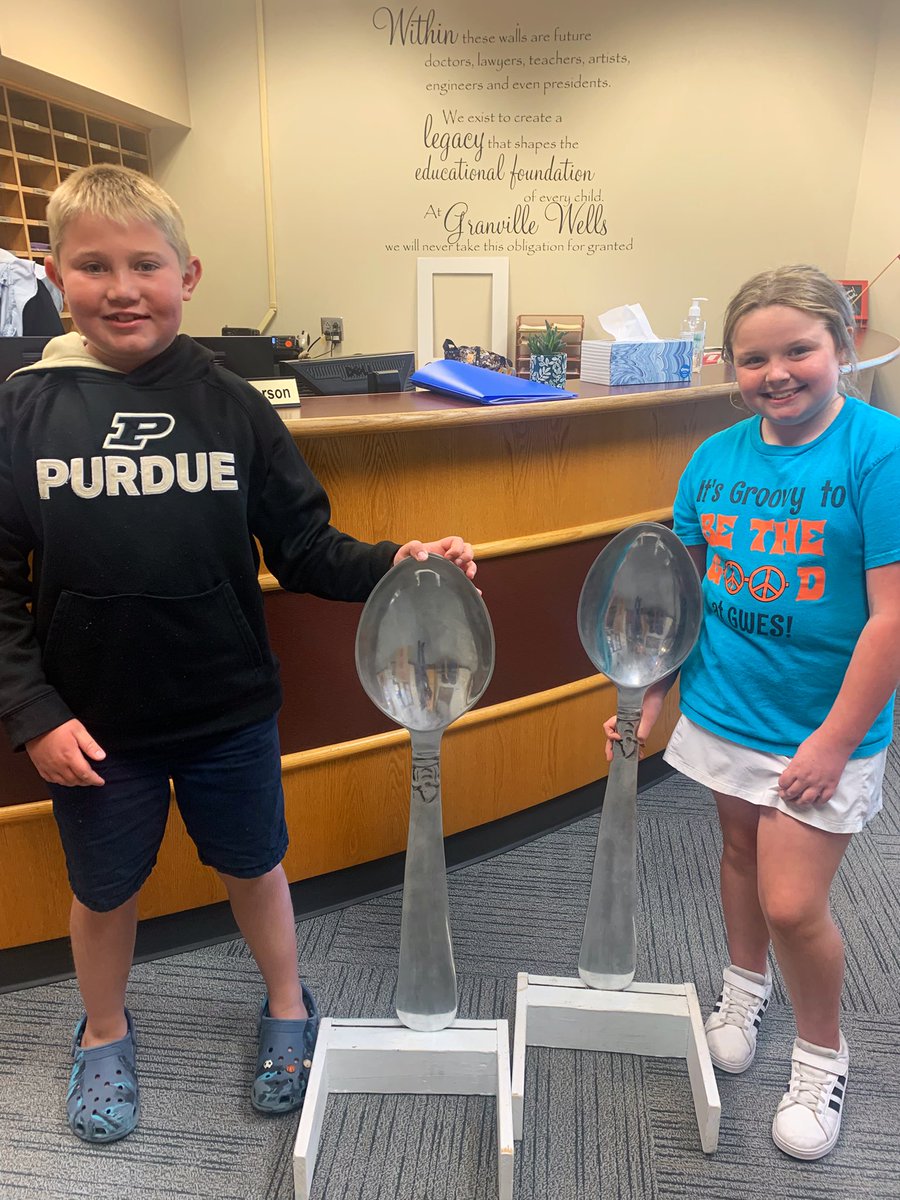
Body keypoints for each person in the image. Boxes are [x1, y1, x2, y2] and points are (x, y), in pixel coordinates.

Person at [0, 163, 478, 1145]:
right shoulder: (21, 411)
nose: (122, 287)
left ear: (189, 274)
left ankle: (289, 1005)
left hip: (226, 707)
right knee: (104, 891)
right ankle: (102, 1032)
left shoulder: (234, 407)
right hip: (94, 727)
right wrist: (34, 714)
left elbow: (304, 547)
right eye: (93, 265)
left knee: (258, 865)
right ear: (53, 275)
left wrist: (401, 562)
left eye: (146, 264)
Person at [605, 264, 900, 1160]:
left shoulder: (877, 451)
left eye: (800, 350)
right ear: (729, 365)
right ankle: (743, 988)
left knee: (793, 902)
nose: (777, 372)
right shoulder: (714, 458)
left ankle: (822, 1053)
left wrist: (837, 740)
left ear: (842, 351)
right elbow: (675, 596)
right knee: (737, 853)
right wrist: (648, 692)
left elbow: (891, 616)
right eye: (754, 357)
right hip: (728, 706)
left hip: (824, 728)